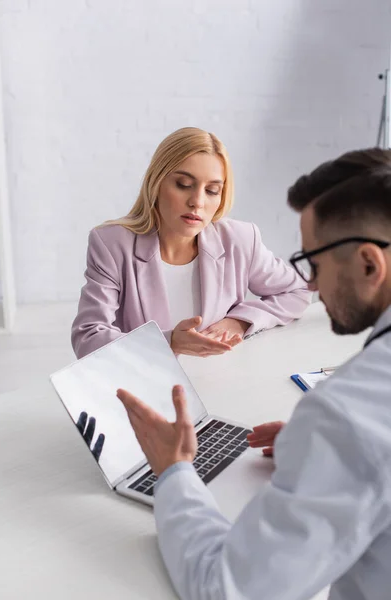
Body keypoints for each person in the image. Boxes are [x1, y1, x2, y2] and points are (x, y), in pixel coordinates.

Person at [117, 148, 391, 600]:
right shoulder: (116, 243)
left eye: (315, 264)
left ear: (368, 264)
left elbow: (227, 588)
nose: (314, 286)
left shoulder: (348, 416)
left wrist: (173, 473)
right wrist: (323, 457)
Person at [71, 127, 310, 359]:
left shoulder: (240, 240)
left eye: (212, 190)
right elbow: (88, 337)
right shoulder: (112, 243)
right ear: (157, 183)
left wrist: (239, 321)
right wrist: (170, 342)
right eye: (184, 185)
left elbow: (298, 290)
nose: (197, 202)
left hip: (222, 383)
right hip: (146, 387)